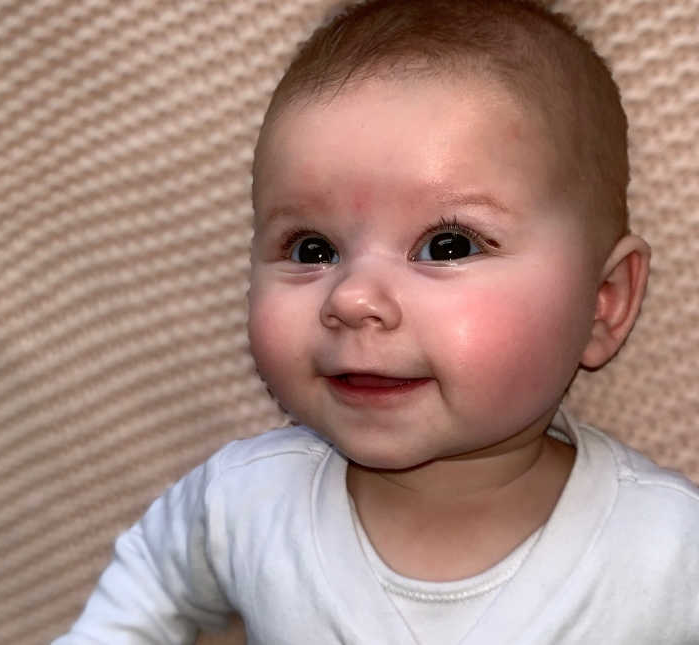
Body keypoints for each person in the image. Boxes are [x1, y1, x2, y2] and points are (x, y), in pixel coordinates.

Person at [53, 1, 699, 643]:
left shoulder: (668, 549)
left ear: (603, 300)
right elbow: (147, 589)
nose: (353, 297)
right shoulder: (244, 503)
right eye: (313, 249)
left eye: (448, 245)